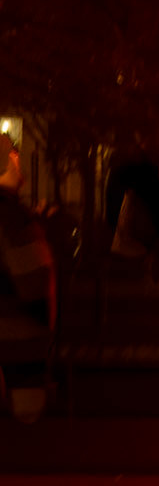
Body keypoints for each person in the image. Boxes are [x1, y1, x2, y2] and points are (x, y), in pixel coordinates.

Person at [0, 133, 56, 423]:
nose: (17, 157)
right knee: (25, 426)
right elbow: (34, 281)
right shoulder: (10, 215)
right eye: (12, 153)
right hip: (17, 346)